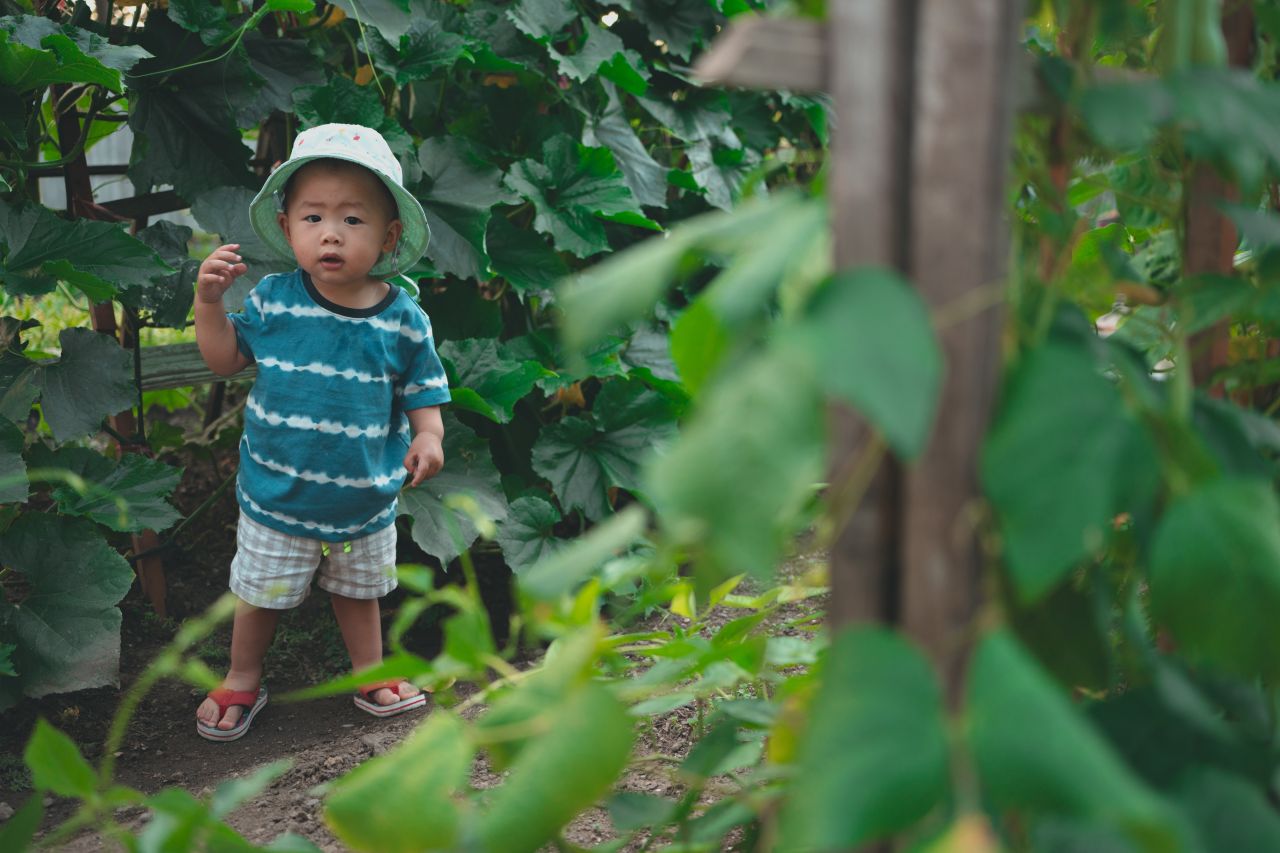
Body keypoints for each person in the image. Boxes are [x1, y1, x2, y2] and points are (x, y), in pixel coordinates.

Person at [192, 123, 450, 742]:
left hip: (363, 498)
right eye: (312, 216)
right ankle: (242, 676)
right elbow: (225, 361)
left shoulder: (403, 319)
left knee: (359, 594)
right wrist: (208, 304)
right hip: (278, 497)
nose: (331, 232)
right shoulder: (275, 301)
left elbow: (423, 389)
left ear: (389, 238)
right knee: (259, 597)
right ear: (287, 229)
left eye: (353, 221)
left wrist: (430, 437)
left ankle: (370, 672)